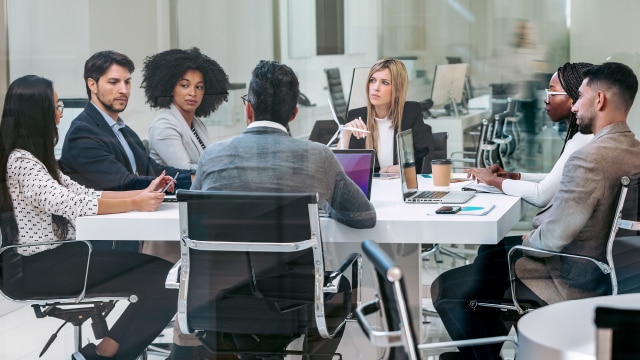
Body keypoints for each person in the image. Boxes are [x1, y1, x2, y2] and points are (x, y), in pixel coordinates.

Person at [431, 61, 640, 360]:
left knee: (447, 290)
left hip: (567, 275)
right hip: (606, 273)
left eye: (579, 97)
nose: (575, 106)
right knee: (485, 265)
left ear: (599, 100)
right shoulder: (634, 151)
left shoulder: (589, 157)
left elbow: (554, 238)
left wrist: (529, 240)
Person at [192, 60, 376, 359]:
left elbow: (200, 216)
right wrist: (324, 203)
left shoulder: (211, 157)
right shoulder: (319, 157)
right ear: (293, 113)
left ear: (248, 109)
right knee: (340, 283)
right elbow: (365, 217)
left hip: (221, 299)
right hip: (295, 302)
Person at [0, 75, 178, 360]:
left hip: (62, 259)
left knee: (166, 278)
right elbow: (70, 202)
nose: (60, 112)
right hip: (41, 269)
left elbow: (85, 193)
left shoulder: (37, 160)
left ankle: (102, 353)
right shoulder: (21, 161)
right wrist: (135, 201)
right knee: (166, 280)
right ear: (38, 113)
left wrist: (142, 194)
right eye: (56, 106)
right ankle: (104, 355)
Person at [59, 50, 192, 252]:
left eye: (127, 82)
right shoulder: (83, 132)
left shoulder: (122, 129)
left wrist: (197, 176)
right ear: (92, 84)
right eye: (113, 82)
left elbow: (154, 170)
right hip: (104, 246)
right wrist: (191, 180)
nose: (123, 90)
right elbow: (124, 184)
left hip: (131, 233)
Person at [467, 62, 594, 207]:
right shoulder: (586, 137)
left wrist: (493, 180)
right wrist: (514, 176)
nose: (546, 99)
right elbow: (558, 181)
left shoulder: (582, 140)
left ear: (574, 97)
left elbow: (541, 196)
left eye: (551, 93)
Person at [337, 58, 434, 174]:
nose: (375, 87)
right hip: (369, 190)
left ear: (397, 89)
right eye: (372, 80)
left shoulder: (410, 113)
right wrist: (345, 133)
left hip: (400, 188)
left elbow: (425, 161)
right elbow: (340, 170)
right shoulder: (357, 116)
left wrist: (388, 170)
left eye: (385, 82)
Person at [141, 47, 229, 172]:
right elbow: (185, 170)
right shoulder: (164, 126)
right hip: (177, 190)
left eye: (199, 87)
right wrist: (224, 169)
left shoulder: (197, 123)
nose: (193, 93)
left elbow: (207, 161)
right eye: (184, 86)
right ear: (171, 88)